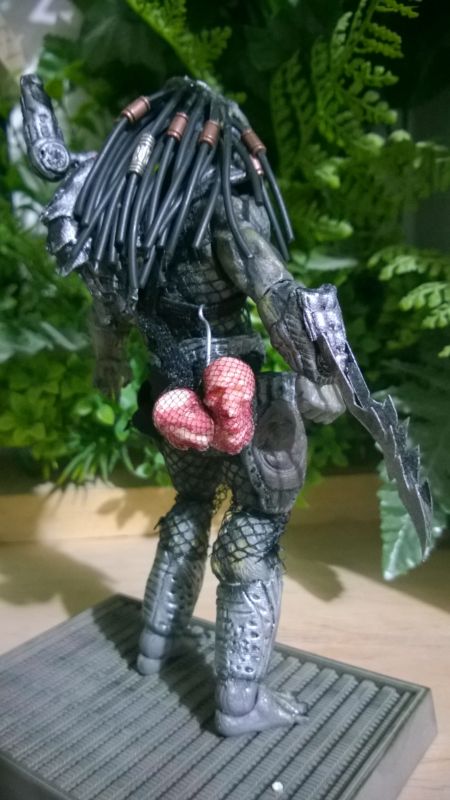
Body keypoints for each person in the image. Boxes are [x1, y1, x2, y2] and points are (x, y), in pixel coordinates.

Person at [20, 74, 429, 736]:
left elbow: (108, 310)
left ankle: (155, 645)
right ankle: (239, 701)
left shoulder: (126, 214)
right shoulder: (225, 209)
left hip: (169, 388)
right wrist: (319, 375)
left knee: (188, 509)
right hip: (235, 385)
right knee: (252, 536)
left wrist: (109, 360)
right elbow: (275, 293)